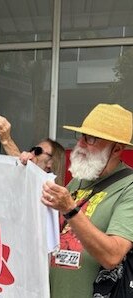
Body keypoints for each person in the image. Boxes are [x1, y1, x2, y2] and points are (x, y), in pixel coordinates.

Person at [38, 103, 133, 297]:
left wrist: (71, 210)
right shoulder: (79, 180)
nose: (80, 144)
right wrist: (23, 169)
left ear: (117, 149)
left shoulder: (128, 187)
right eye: (81, 136)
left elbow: (113, 256)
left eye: (91, 139)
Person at [0, 114, 66, 185]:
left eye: (38, 151)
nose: (32, 153)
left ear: (51, 162)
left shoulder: (49, 187)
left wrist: (6, 140)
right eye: (32, 149)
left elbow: (26, 175)